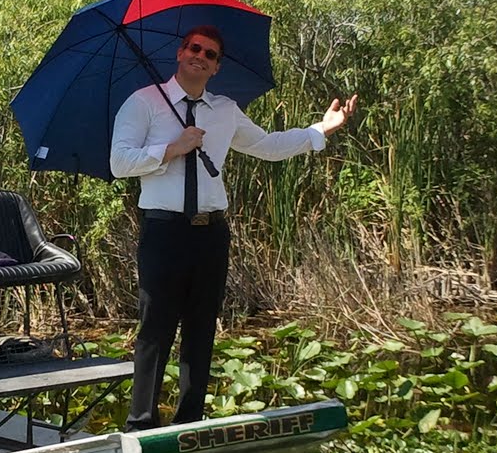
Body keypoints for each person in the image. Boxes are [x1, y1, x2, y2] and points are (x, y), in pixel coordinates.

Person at [109, 25, 357, 431]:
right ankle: (141, 426)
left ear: (216, 67)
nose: (200, 56)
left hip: (211, 234)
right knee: (155, 329)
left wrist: (320, 130)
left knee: (201, 329)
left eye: (210, 54)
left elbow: (268, 146)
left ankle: (190, 424)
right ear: (180, 53)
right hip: (164, 231)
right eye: (195, 48)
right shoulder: (144, 102)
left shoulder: (224, 110)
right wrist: (173, 148)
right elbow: (120, 162)